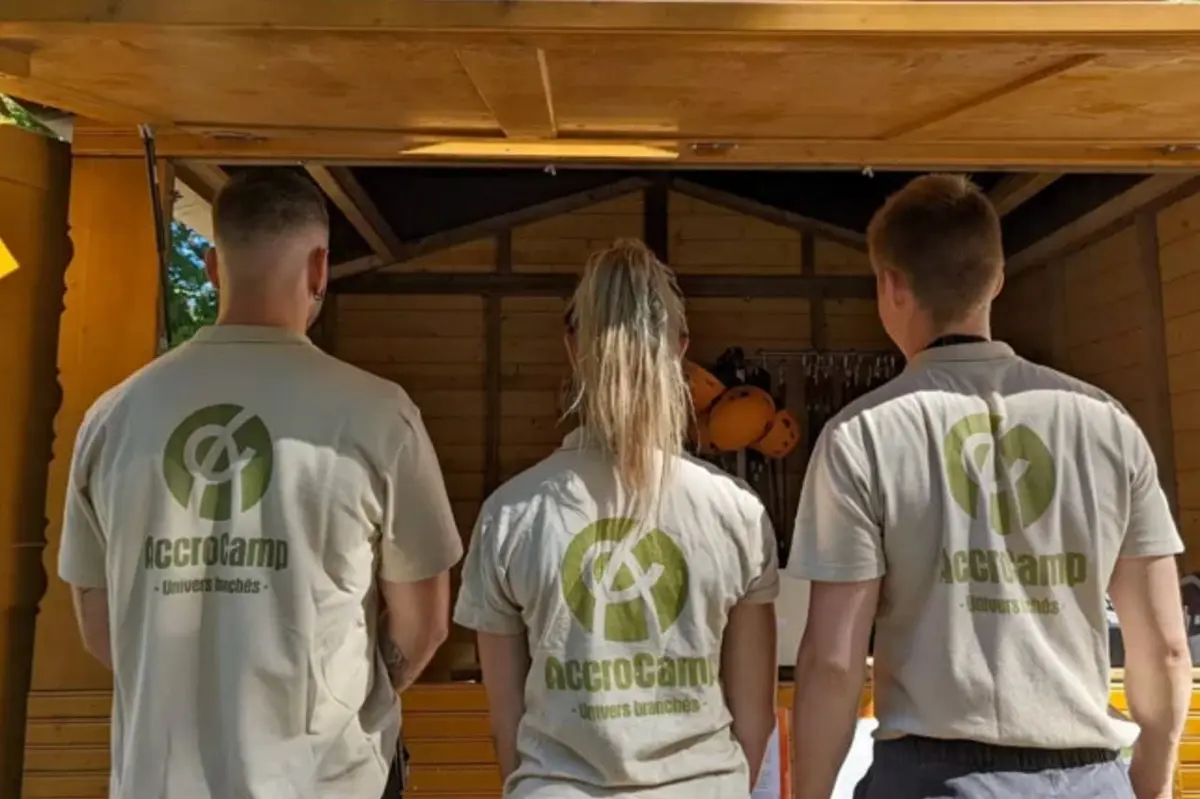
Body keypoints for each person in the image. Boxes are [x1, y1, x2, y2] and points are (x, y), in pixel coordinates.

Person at [58, 169, 463, 799]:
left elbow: (100, 625)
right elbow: (424, 623)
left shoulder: (112, 419)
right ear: (320, 269)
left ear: (215, 266)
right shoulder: (379, 416)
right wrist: (345, 694)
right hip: (326, 781)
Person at [786, 173, 1192, 799]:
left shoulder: (861, 436)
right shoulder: (1108, 425)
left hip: (933, 778)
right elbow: (1166, 649)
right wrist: (1149, 786)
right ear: (997, 280)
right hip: (1089, 776)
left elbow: (834, 662)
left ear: (890, 286)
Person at [453, 239, 780, 798]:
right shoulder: (737, 512)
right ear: (680, 349)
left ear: (572, 346)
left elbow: (506, 726)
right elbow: (755, 721)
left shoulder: (512, 514)